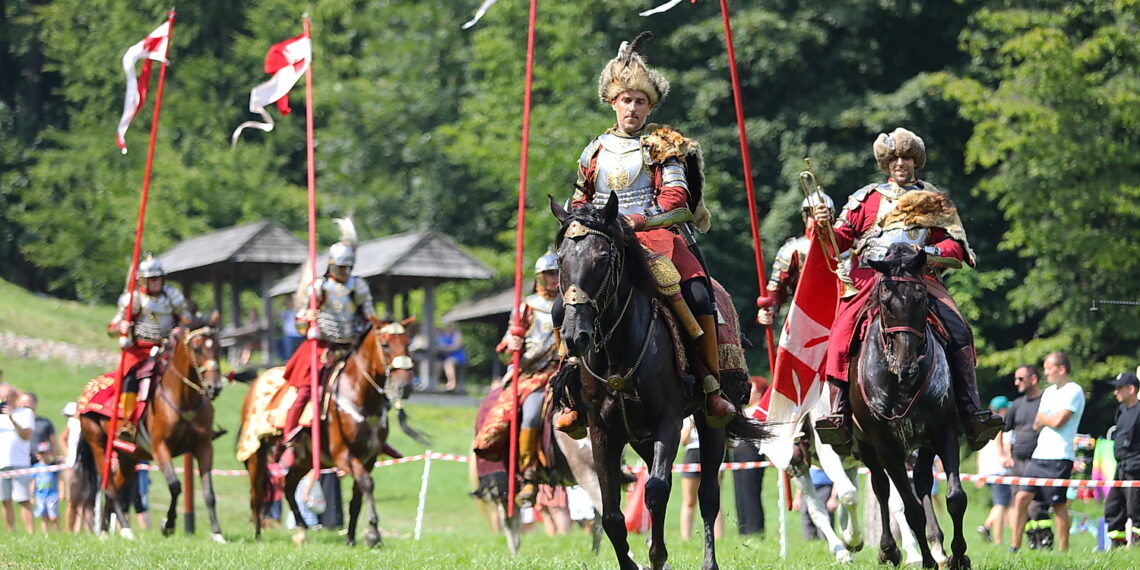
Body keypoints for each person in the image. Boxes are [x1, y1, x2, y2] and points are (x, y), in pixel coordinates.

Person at [555, 32, 734, 435]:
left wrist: (634, 221)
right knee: (561, 302)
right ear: (613, 104)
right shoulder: (594, 150)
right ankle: (571, 394)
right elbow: (580, 196)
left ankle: (709, 385)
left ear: (649, 106)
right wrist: (577, 223)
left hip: (654, 238)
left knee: (697, 292)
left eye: (640, 101)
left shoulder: (662, 146)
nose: (632, 108)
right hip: (600, 237)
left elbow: (675, 199)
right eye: (626, 101)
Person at [811, 127, 1003, 453]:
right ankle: (840, 414)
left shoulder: (933, 199)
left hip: (919, 278)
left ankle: (971, 411)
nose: (901, 163)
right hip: (873, 278)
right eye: (895, 158)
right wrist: (823, 223)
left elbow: (955, 246)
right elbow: (839, 242)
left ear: (916, 162)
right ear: (886, 164)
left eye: (907, 157)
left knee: (959, 331)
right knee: (841, 335)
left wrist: (928, 255)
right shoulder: (866, 198)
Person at [279, 218, 376, 465]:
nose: (345, 273)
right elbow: (300, 322)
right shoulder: (319, 287)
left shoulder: (358, 286)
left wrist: (370, 326)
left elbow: (369, 315)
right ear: (332, 266)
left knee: (375, 386)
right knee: (308, 391)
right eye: (341, 268)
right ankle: (289, 437)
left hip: (352, 346)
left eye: (348, 268)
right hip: (323, 347)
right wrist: (308, 319)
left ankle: (378, 437)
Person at [472, 252, 562, 504]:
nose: (554, 279)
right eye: (549, 274)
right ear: (539, 278)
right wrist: (512, 344)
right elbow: (504, 355)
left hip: (566, 370)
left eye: (557, 273)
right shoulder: (526, 308)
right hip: (533, 375)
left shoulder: (571, 302)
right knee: (532, 412)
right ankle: (530, 473)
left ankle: (615, 464)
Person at [106, 254, 187, 443]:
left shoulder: (172, 296)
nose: (156, 282)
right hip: (140, 351)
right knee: (130, 379)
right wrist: (121, 328)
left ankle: (198, 419)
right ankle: (129, 422)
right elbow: (112, 327)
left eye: (158, 278)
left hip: (168, 349)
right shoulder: (134, 299)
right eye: (151, 279)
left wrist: (180, 328)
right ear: (144, 280)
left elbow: (186, 318)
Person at [1010, 351, 1085, 552]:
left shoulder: (1074, 391)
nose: (1046, 373)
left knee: (1058, 504)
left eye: (1049, 368)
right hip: (1039, 455)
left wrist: (1045, 417)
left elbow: (1058, 421)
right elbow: (1037, 423)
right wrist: (1045, 418)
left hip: (1060, 457)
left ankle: (1063, 550)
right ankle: (1014, 546)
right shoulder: (1049, 392)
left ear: (1061, 369)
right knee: (1021, 498)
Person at [756, 193, 834, 327]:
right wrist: (769, 311)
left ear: (831, 215)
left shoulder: (848, 248)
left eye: (822, 213)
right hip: (805, 319)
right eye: (811, 213)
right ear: (805, 217)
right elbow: (777, 290)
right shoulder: (792, 250)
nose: (815, 218)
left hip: (840, 316)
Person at [1002, 364, 1053, 548]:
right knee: (1020, 503)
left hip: (1041, 460)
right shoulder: (1016, 404)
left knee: (1037, 505)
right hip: (1018, 462)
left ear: (1033, 379)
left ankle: (1045, 538)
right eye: (1016, 378)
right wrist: (1004, 455)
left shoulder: (1046, 401)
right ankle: (1030, 538)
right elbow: (1003, 430)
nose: (1017, 383)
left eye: (1021, 378)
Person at [1104, 371, 1140, 547]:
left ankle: (1137, 547)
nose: (1115, 392)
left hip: (1136, 469)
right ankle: (1116, 546)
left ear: (1131, 389)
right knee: (1113, 507)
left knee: (1136, 509)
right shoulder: (1121, 410)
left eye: (1119, 388)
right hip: (1121, 468)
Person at [731, 376, 768, 537]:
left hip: (751, 453)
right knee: (739, 493)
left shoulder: (761, 410)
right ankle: (743, 529)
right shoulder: (745, 410)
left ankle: (755, 529)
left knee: (751, 492)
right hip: (738, 453)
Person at [678, 415, 725, 540]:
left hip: (711, 450)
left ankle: (719, 538)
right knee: (689, 500)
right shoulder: (686, 416)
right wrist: (691, 425)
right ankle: (686, 538)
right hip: (691, 453)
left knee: (715, 498)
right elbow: (682, 440)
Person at [976, 395, 1012, 544]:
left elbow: (979, 450)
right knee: (1001, 505)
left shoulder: (984, 426)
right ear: (1003, 410)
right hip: (1000, 470)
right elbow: (1007, 448)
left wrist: (980, 473)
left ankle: (996, 536)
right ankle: (989, 529)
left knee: (1001, 503)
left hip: (987, 470)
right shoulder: (1003, 427)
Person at [0, 386, 35, 533]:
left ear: (15, 396)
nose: (6, 399)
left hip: (19, 462)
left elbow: (26, 435)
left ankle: (30, 532)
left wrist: (11, 418)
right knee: (5, 500)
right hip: (2, 463)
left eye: (9, 395)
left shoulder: (26, 413)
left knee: (23, 499)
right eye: (3, 396)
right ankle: (11, 531)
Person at [58, 401, 87, 533]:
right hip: (72, 465)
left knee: (84, 501)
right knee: (73, 501)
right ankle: (70, 531)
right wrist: (68, 453)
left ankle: (79, 530)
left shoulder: (86, 423)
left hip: (86, 466)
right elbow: (62, 438)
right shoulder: (72, 423)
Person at [794, 464, 836, 540]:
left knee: (823, 515)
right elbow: (801, 475)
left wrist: (833, 498)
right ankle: (810, 541)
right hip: (807, 487)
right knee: (806, 513)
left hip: (825, 487)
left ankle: (827, 541)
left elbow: (837, 477)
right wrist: (797, 498)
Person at [17, 392, 58, 464]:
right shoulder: (16, 423)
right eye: (22, 402)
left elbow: (53, 443)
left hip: (40, 464)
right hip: (20, 462)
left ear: (35, 404)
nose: (24, 405)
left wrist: (55, 460)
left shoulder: (45, 422)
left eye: (27, 402)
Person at [31, 441, 61, 533]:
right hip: (40, 495)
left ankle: (58, 532)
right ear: (38, 455)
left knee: (53, 516)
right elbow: (32, 482)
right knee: (44, 517)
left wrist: (62, 492)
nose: (44, 455)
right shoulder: (35, 467)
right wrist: (31, 496)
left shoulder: (53, 466)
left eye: (46, 453)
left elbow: (60, 479)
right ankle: (46, 535)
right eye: (42, 453)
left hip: (52, 495)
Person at [435, 323, 466, 392]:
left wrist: (444, 348)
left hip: (456, 356)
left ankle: (451, 384)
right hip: (444, 356)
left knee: (448, 363)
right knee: (437, 363)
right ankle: (434, 383)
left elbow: (456, 346)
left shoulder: (457, 334)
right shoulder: (441, 335)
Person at [276, 297, 304, 361]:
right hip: (288, 336)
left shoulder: (297, 312)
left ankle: (288, 359)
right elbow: (276, 316)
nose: (288, 304)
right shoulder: (286, 312)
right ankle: (283, 359)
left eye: (289, 302)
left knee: (287, 341)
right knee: (277, 343)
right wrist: (281, 306)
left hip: (297, 335)